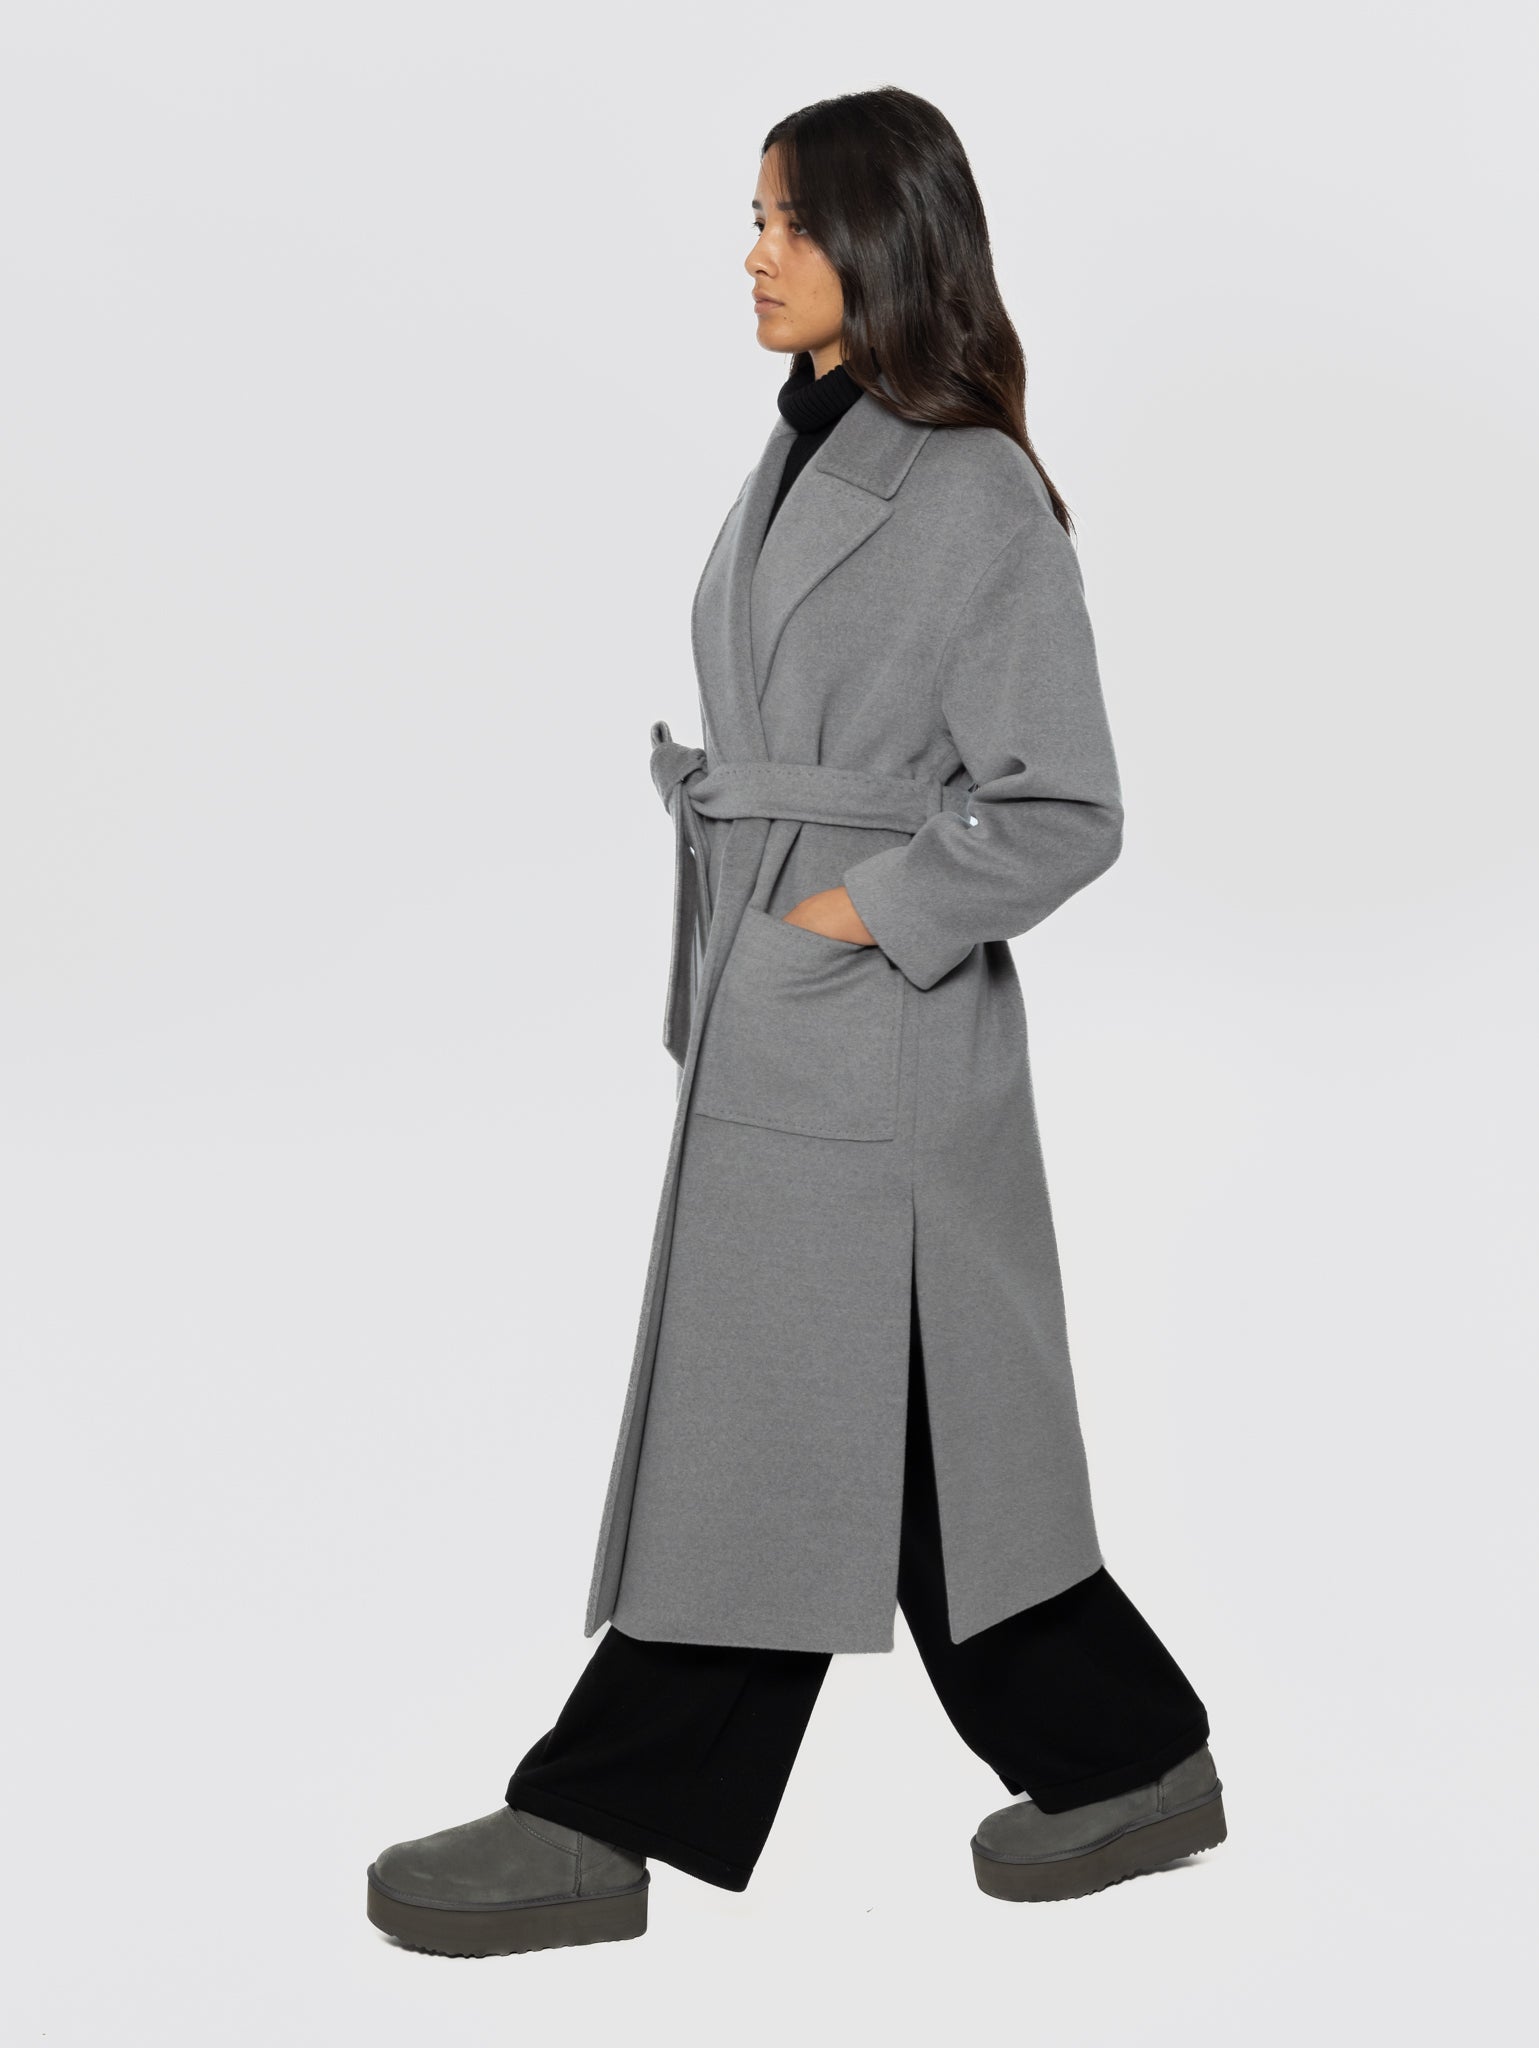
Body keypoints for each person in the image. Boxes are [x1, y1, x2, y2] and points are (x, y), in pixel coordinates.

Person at [366, 85, 1226, 1959]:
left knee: (792, 1415)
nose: (754, 254)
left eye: (788, 220)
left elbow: (1066, 805)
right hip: (786, 1004)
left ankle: (605, 1813)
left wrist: (850, 916)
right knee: (890, 1436)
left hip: (875, 1031)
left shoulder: (974, 492)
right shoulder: (805, 446)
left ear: (883, 238)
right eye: (753, 216)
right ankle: (1127, 1756)